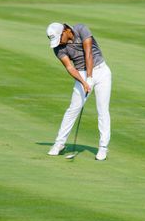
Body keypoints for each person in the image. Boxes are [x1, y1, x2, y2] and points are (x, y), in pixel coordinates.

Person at [46, 22, 112, 161]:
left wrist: (90, 78)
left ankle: (103, 148)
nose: (58, 42)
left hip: (101, 71)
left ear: (65, 31)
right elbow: (70, 67)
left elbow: (88, 54)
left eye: (59, 38)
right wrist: (84, 81)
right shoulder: (58, 48)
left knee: (102, 110)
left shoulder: (81, 29)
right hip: (81, 73)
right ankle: (59, 144)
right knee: (73, 109)